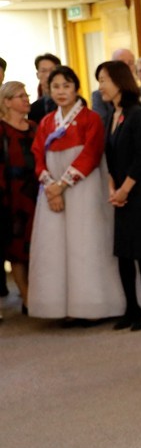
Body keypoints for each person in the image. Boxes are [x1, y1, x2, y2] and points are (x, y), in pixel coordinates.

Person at [26, 66, 124, 322]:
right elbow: (37, 155)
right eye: (56, 86)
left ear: (76, 89)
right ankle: (61, 307)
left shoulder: (90, 118)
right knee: (55, 247)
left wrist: (63, 184)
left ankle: (92, 305)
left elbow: (91, 154)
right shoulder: (47, 122)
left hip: (84, 188)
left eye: (66, 86)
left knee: (85, 242)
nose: (61, 91)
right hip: (51, 192)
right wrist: (50, 186)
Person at [97, 60, 141, 331]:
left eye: (103, 80)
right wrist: (113, 188)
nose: (100, 85)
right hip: (121, 194)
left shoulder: (137, 114)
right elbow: (111, 158)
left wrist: (124, 190)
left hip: (140, 194)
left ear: (119, 81)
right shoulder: (113, 114)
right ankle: (131, 308)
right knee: (124, 255)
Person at [0, 81, 38, 314]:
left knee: (37, 245)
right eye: (20, 96)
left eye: (26, 95)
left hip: (37, 192)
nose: (26, 99)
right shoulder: (1, 130)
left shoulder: (35, 126)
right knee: (16, 248)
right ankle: (26, 297)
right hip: (11, 195)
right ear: (6, 102)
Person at [28, 53, 61, 123]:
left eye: (52, 70)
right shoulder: (32, 108)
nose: (48, 75)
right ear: (37, 75)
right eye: (43, 71)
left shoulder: (73, 101)